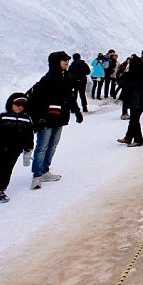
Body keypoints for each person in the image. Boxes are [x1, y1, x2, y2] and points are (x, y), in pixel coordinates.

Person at [26, 51, 83, 189]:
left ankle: (45, 171)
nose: (67, 63)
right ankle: (37, 175)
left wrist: (77, 111)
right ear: (55, 62)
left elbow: (70, 97)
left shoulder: (66, 77)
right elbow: (35, 99)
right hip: (47, 119)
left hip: (60, 118)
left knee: (52, 146)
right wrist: (39, 118)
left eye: (68, 61)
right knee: (42, 147)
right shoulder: (48, 78)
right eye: (64, 60)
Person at [117, 55, 143, 146]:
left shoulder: (139, 74)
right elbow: (121, 81)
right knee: (134, 120)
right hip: (136, 99)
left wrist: (125, 77)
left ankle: (138, 140)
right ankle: (128, 137)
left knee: (134, 120)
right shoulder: (133, 72)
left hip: (138, 100)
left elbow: (124, 82)